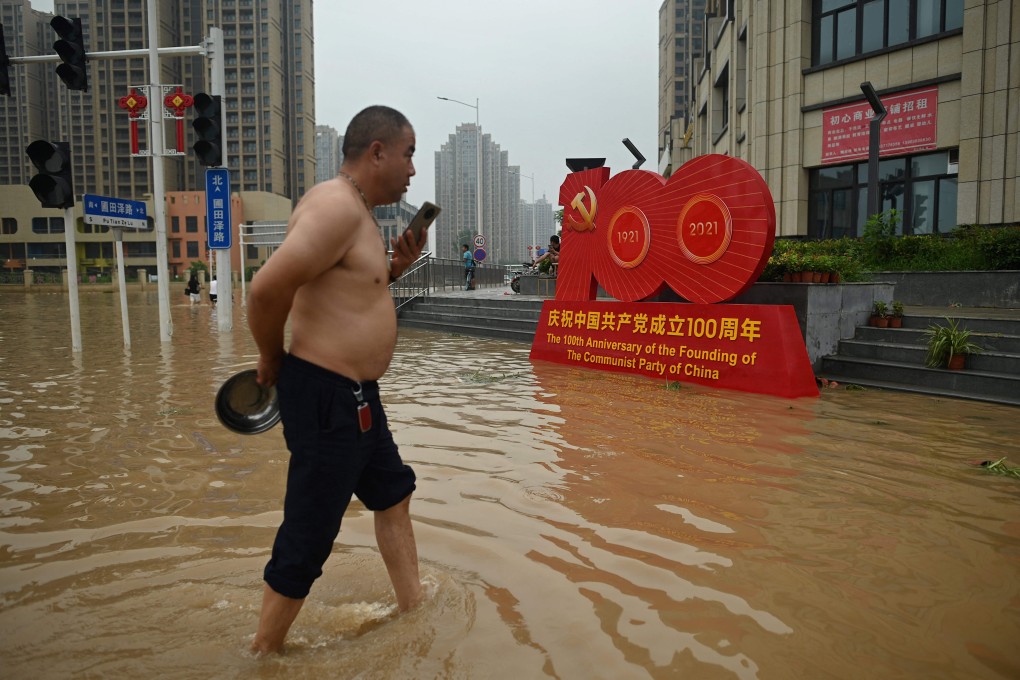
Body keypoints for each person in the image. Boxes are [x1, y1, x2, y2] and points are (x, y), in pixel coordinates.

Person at [246, 105, 427, 655]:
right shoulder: (336, 207)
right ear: (377, 152)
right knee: (310, 530)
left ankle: (416, 612)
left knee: (393, 495)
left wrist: (394, 267)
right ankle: (262, 654)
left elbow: (348, 292)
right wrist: (270, 357)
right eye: (409, 154)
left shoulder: (358, 212)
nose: (413, 170)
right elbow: (264, 289)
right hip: (328, 396)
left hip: (357, 397)